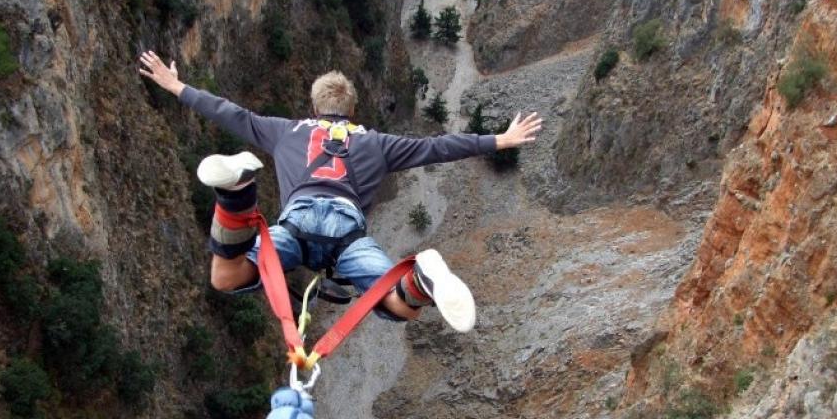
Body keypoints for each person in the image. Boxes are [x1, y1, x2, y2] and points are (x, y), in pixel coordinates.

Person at [138, 52, 542, 331]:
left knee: (227, 276)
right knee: (394, 302)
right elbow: (435, 147)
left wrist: (176, 85)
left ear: (313, 110)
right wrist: (499, 140)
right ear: (352, 112)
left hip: (294, 223)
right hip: (348, 234)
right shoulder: (377, 143)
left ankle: (236, 195)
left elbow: (229, 113)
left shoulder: (286, 131)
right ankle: (420, 279)